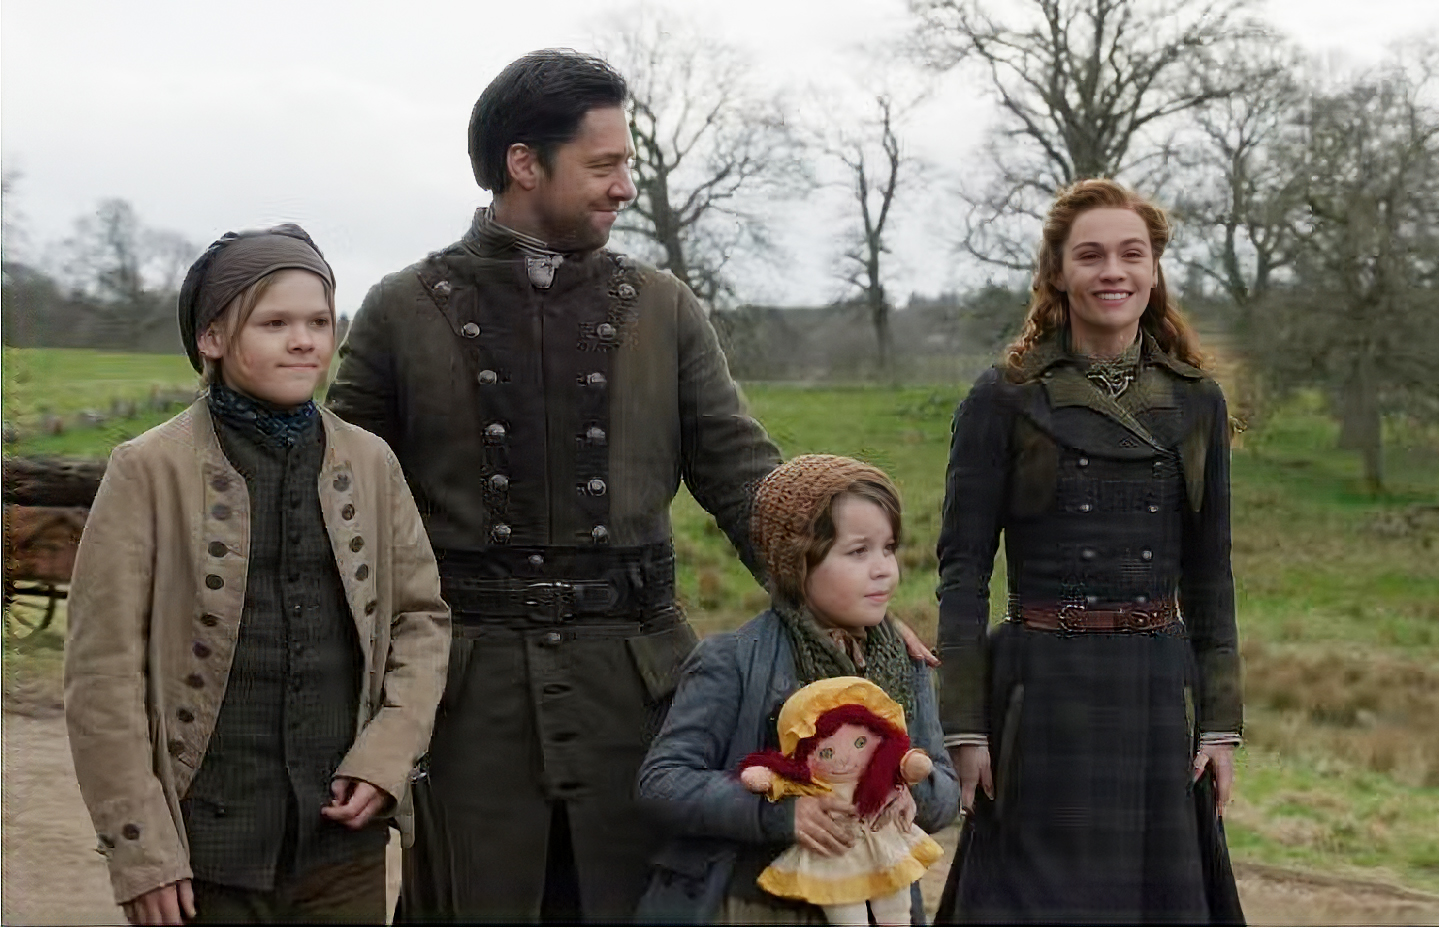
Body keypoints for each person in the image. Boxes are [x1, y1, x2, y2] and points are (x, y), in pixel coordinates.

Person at [324, 49, 785, 923]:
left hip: (641, 692)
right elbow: (343, 513)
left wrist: (833, 594)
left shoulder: (664, 306)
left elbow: (741, 472)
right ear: (524, 163)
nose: (623, 188)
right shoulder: (400, 309)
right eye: (603, 165)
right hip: (467, 700)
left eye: (626, 165)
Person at [63, 225, 451, 925]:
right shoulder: (147, 470)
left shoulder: (370, 464)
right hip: (204, 854)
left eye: (318, 321)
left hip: (342, 847)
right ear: (211, 338)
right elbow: (101, 676)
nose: (304, 340)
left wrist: (387, 755)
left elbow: (420, 621)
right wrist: (142, 851)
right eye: (275, 323)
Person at [933, 179, 1245, 924]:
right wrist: (964, 729)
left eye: (1132, 254)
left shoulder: (1197, 400)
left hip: (1154, 691)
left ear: (1154, 270)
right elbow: (963, 569)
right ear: (1058, 272)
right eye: (1092, 255)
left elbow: (1211, 571)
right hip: (1038, 695)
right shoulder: (1004, 396)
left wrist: (1220, 723)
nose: (1114, 272)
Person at [635, 455, 959, 925]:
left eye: (889, 548)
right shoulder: (732, 660)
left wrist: (912, 795)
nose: (884, 569)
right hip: (753, 907)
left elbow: (944, 789)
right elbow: (663, 782)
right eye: (858, 552)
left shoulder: (905, 663)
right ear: (797, 560)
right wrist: (782, 814)